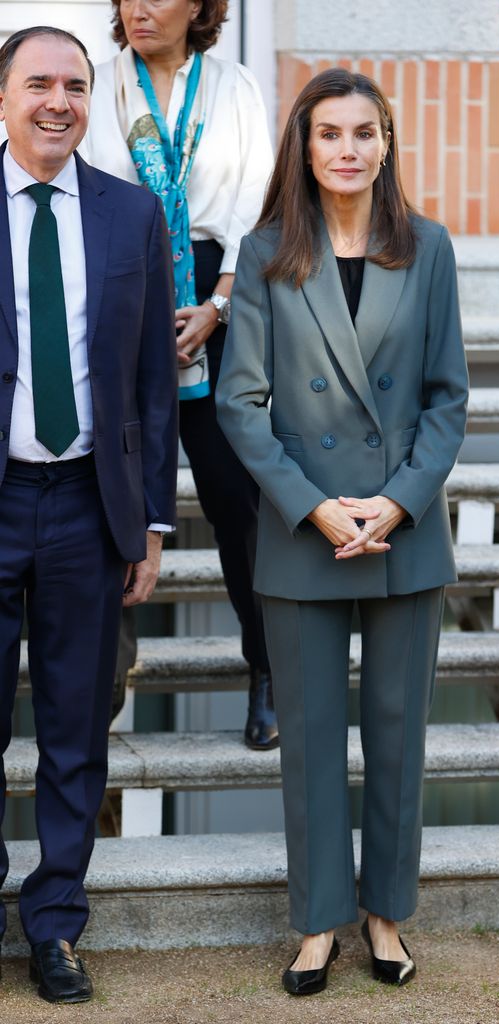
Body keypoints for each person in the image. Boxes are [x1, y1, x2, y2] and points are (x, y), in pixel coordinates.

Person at [216, 68, 468, 994]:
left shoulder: (429, 248)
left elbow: (448, 396)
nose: (348, 149)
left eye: (365, 132)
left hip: (403, 528)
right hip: (303, 527)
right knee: (314, 736)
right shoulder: (268, 251)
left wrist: (398, 501)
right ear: (305, 145)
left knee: (398, 736)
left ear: (387, 143)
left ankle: (386, 914)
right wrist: (315, 504)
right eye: (330, 134)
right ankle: (320, 921)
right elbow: (241, 404)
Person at [0, 26, 177, 1002]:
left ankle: (57, 924)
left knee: (77, 729)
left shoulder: (129, 215)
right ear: (4, 96)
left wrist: (150, 521)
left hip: (83, 510)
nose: (59, 101)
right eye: (38, 84)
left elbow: (155, 379)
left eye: (74, 84)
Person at [81, 0, 277, 750]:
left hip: (212, 294)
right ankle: (107, 677)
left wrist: (217, 307)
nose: (139, 8)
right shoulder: (96, 85)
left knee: (239, 499)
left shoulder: (234, 89)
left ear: (198, 5)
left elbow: (259, 208)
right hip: (115, 288)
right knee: (111, 491)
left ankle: (266, 671)